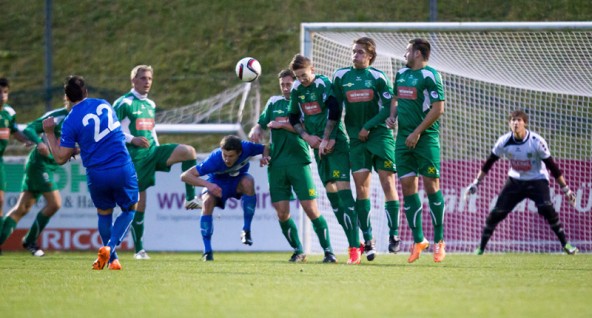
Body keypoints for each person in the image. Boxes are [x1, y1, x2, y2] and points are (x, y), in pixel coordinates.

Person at [42, 75, 139, 270]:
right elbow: (109, 134)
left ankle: (113, 260)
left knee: (104, 214)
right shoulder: (104, 104)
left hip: (97, 174)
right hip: (121, 166)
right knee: (130, 209)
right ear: (86, 92)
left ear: (67, 98)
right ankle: (110, 248)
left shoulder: (70, 121)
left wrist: (50, 133)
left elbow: (60, 157)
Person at [249, 69, 342, 263]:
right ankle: (298, 250)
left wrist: (282, 125)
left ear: (296, 84)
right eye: (282, 84)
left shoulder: (302, 101)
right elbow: (262, 123)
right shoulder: (273, 102)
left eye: (288, 84)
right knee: (282, 212)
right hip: (276, 164)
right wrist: (255, 130)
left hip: (299, 161)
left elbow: (307, 129)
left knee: (311, 209)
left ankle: (329, 251)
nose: (285, 88)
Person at [113, 65, 200, 260]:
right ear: (133, 80)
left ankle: (189, 199)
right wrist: (132, 139)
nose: (147, 82)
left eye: (150, 78)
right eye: (143, 78)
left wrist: (159, 148)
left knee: (188, 152)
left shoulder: (150, 104)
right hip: (135, 158)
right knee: (139, 205)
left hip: (153, 152)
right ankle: (139, 250)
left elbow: (151, 131)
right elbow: (110, 129)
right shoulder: (123, 103)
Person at [465, 110, 579, 255]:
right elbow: (489, 163)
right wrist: (476, 183)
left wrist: (567, 190)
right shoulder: (504, 141)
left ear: (525, 123)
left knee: (547, 208)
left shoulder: (536, 142)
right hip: (515, 181)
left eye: (519, 120)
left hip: (537, 180)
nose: (515, 123)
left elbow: (552, 167)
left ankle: (566, 244)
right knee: (496, 213)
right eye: (513, 120)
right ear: (509, 123)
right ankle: (480, 249)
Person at [332, 37, 402, 258]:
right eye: (354, 51)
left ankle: (393, 235)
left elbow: (392, 105)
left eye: (361, 52)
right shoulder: (341, 76)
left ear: (370, 56)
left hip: (379, 135)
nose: (356, 55)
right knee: (361, 188)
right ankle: (369, 240)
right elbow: (335, 109)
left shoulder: (378, 77)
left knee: (387, 182)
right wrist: (330, 135)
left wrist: (369, 126)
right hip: (356, 139)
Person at [287, 54, 356, 264]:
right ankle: (353, 241)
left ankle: (355, 246)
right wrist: (308, 137)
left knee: (344, 191)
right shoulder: (297, 90)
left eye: (304, 75)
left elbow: (335, 110)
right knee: (332, 194)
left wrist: (327, 138)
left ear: (312, 69)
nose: (302, 80)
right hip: (318, 147)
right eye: (298, 77)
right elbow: (293, 117)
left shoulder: (323, 83)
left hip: (335, 143)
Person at [386, 38, 446, 263]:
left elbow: (438, 108)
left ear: (418, 53)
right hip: (402, 140)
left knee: (432, 187)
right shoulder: (401, 74)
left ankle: (439, 242)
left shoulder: (431, 75)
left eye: (408, 50)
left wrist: (418, 132)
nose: (405, 54)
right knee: (408, 188)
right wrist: (393, 116)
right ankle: (419, 240)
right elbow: (395, 99)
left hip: (426, 139)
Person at [0, 96, 72, 257]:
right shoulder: (57, 116)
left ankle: (25, 240)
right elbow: (30, 128)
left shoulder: (84, 119)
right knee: (55, 203)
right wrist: (39, 143)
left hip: (49, 166)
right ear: (67, 98)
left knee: (22, 208)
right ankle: (30, 240)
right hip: (39, 165)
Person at [180, 135, 268, 262]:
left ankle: (246, 230)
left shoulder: (248, 148)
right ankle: (207, 251)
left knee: (249, 181)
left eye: (231, 156)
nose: (227, 159)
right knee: (207, 201)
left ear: (239, 153)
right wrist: (209, 185)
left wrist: (265, 157)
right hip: (217, 183)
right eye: (224, 155)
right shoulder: (214, 159)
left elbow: (265, 148)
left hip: (237, 181)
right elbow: (184, 176)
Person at [0, 78, 32, 255]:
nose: (2, 96)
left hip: (0, 162)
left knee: (1, 201)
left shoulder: (9, 113)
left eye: (5, 92)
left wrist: (27, 140)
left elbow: (14, 130)